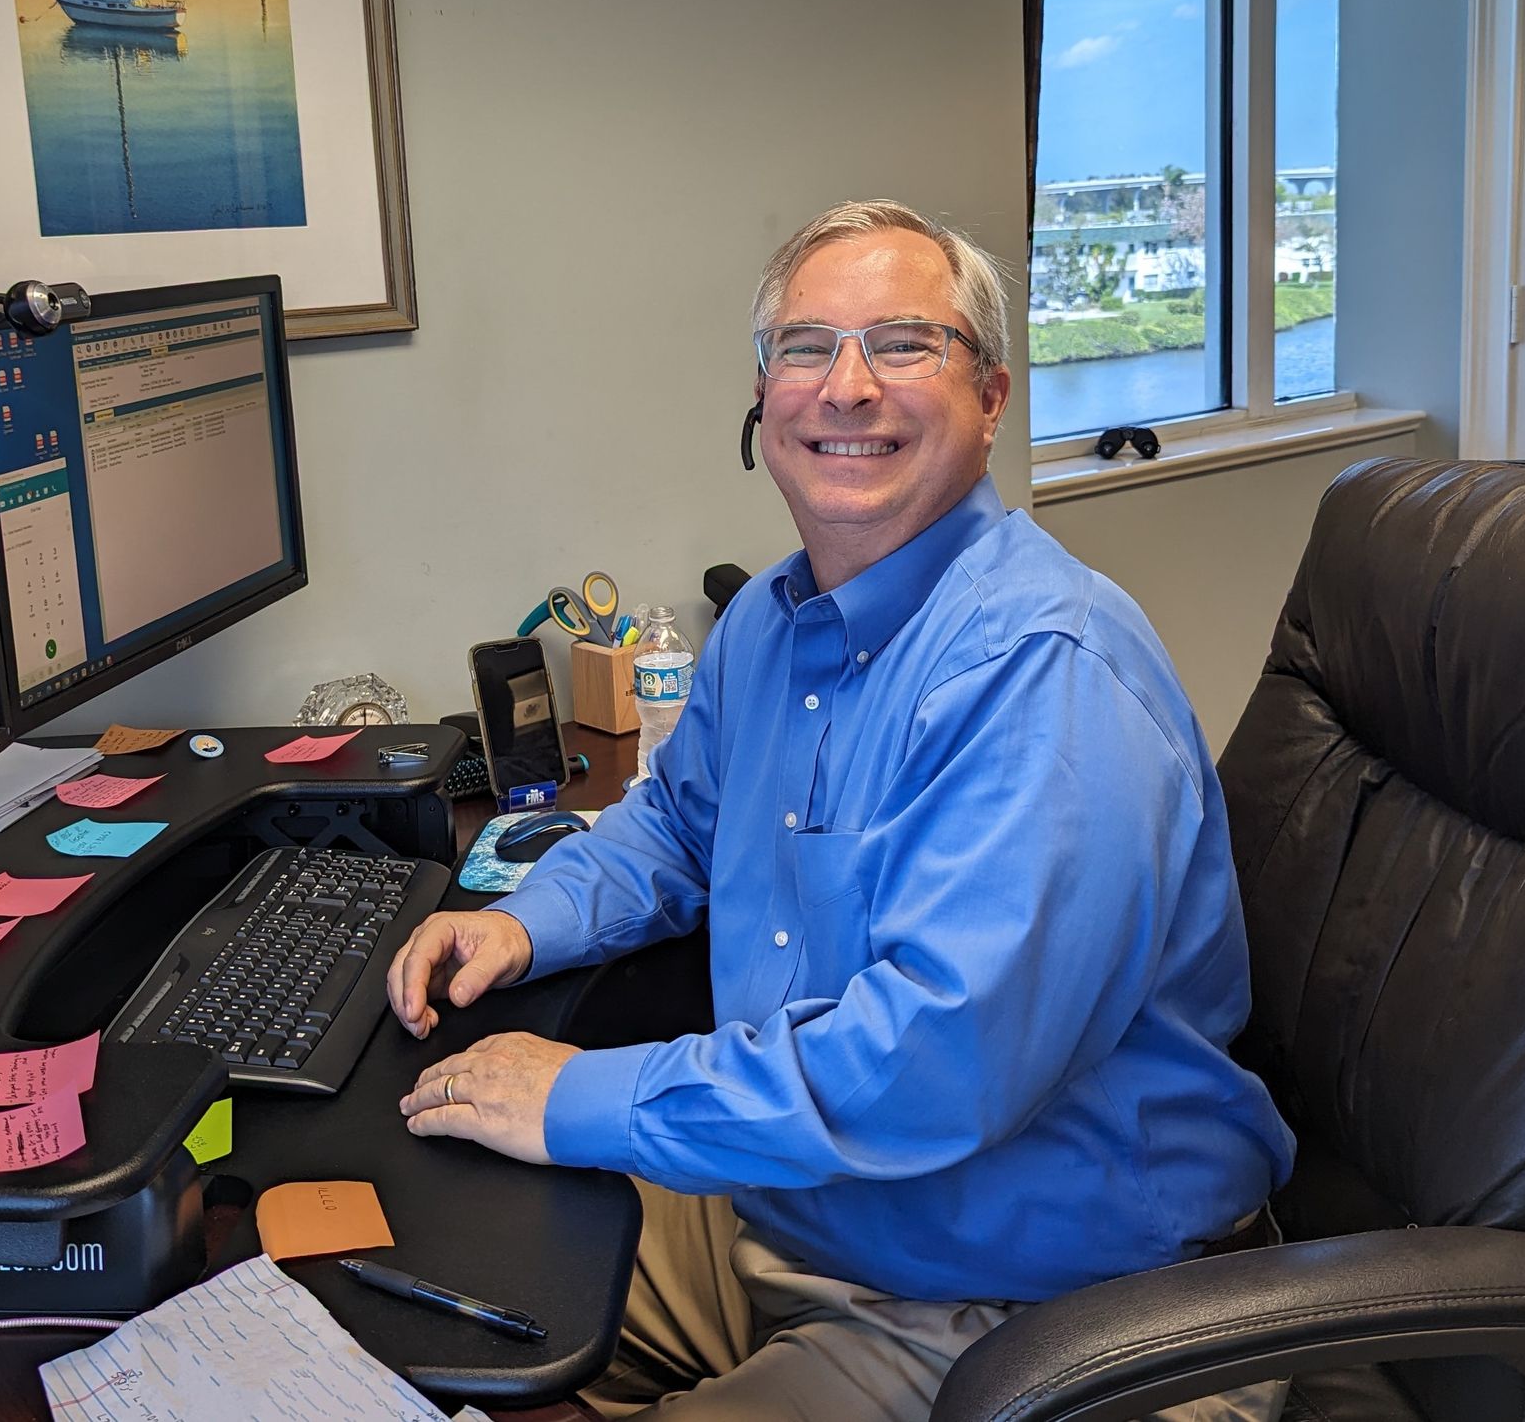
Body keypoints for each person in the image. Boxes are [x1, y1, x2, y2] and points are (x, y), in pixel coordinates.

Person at [390, 201, 1295, 1421]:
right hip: (805, 1207)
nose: (847, 387)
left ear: (992, 397)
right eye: (806, 348)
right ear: (764, 402)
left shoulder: (1046, 672)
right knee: (414, 1283)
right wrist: (530, 922)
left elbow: (928, 1069)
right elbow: (679, 823)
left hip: (1032, 1297)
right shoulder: (769, 624)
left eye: (905, 343)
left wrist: (579, 1094)